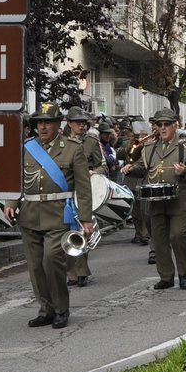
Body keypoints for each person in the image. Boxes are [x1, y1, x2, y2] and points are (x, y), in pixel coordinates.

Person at [6, 102, 94, 329]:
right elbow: (16, 179)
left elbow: (84, 188)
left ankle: (61, 309)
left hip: (58, 215)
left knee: (52, 259)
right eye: (40, 123)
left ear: (58, 124)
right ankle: (46, 309)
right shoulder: (27, 147)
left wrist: (85, 218)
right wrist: (11, 202)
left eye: (48, 122)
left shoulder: (73, 148)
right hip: (30, 214)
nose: (43, 127)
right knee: (35, 266)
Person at [121, 107, 186, 289]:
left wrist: (185, 171)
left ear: (175, 126)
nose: (163, 128)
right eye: (159, 125)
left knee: (177, 235)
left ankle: (183, 273)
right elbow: (143, 168)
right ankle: (166, 276)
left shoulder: (185, 146)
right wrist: (131, 169)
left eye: (167, 125)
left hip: (179, 199)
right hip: (156, 201)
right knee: (159, 238)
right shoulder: (148, 148)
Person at [63, 106, 105, 288]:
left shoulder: (91, 141)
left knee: (83, 230)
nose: (82, 126)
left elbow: (104, 165)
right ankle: (70, 273)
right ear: (69, 123)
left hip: (83, 191)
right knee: (66, 231)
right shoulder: (61, 142)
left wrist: (93, 172)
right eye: (78, 122)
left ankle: (81, 272)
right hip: (65, 193)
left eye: (84, 123)